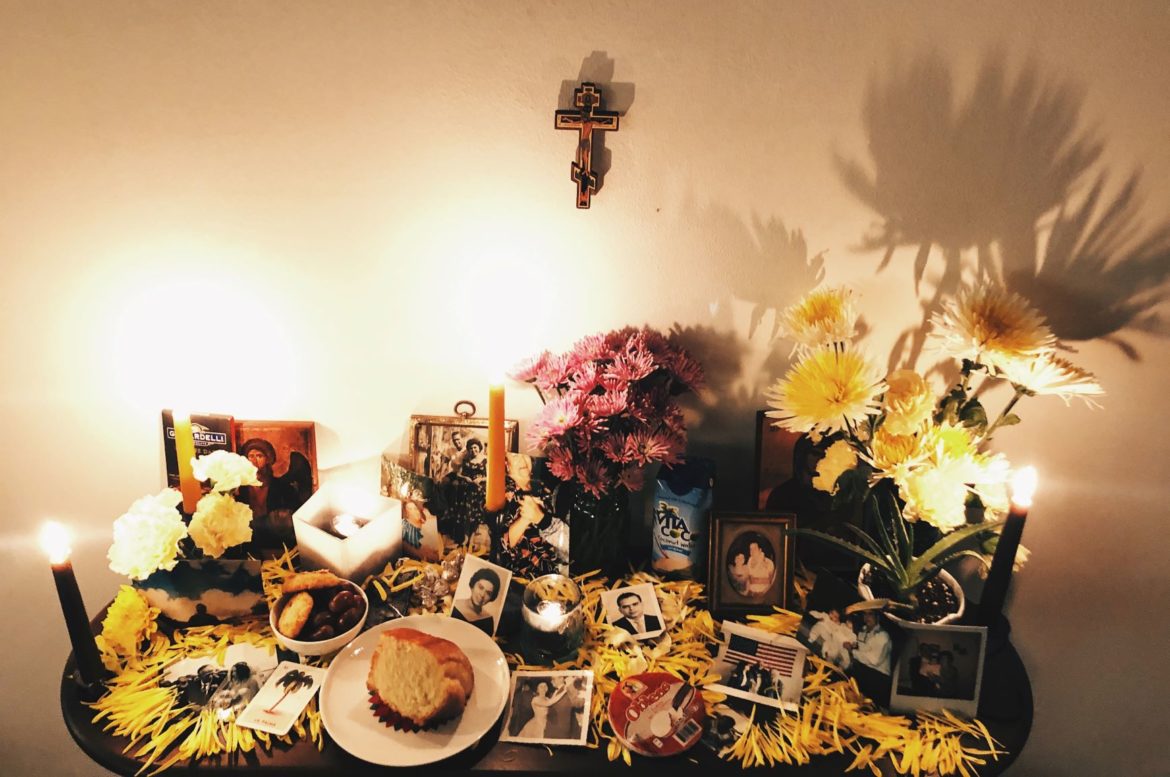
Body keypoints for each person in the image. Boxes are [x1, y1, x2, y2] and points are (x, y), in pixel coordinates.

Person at [451, 567, 502, 635]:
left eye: (488, 593)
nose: (482, 595)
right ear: (473, 585)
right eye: (480, 587)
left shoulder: (488, 621)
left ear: (491, 598)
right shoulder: (453, 606)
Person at [847, 610, 893, 675]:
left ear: (877, 617)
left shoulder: (882, 636)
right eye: (865, 614)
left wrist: (852, 651)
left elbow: (874, 660)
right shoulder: (862, 632)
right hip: (864, 669)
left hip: (878, 674)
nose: (867, 617)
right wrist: (854, 646)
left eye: (870, 614)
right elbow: (861, 649)